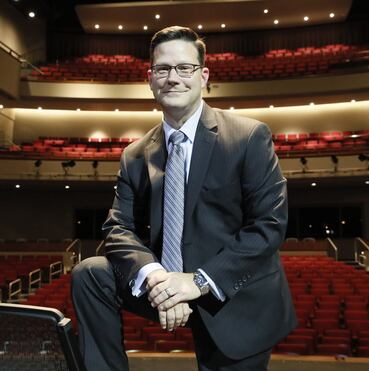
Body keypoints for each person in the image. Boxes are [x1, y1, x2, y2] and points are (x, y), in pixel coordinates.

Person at [72, 26, 296, 371]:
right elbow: (117, 227)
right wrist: (155, 277)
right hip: (164, 283)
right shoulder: (135, 154)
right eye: (163, 69)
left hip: (231, 292)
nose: (173, 78)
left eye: (184, 68)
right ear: (150, 79)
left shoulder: (249, 136)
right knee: (90, 273)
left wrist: (197, 281)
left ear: (204, 76)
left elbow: (269, 225)